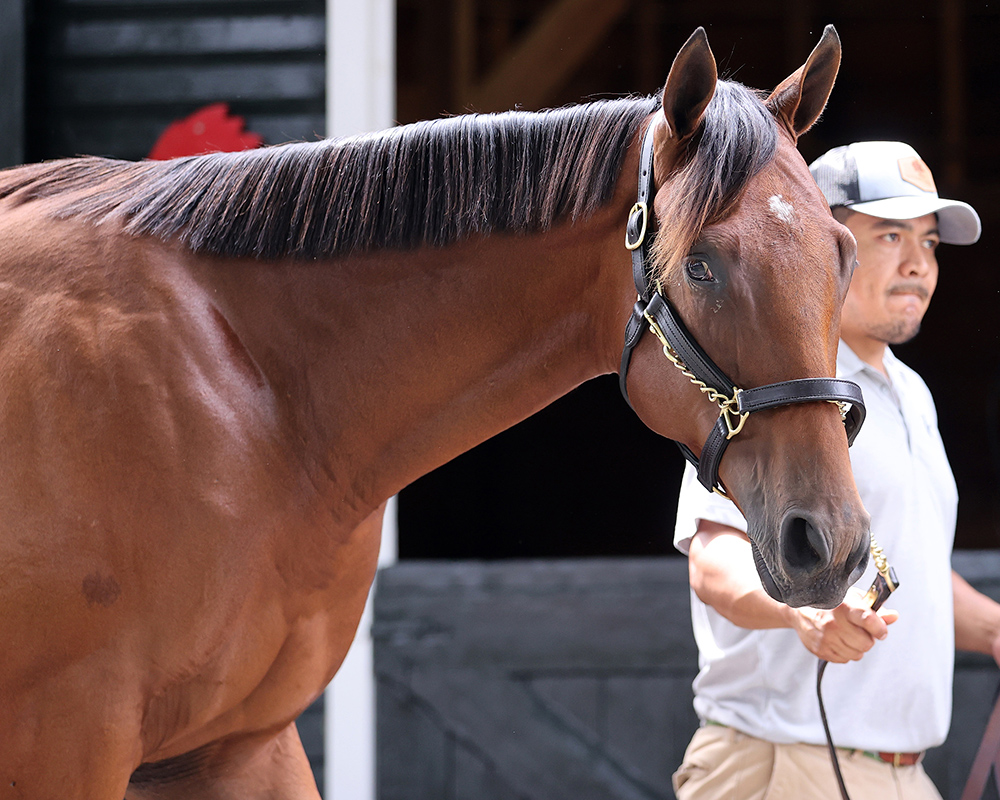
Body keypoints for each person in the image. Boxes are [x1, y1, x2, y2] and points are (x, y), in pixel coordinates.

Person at [671, 141, 1000, 800]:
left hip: (903, 776)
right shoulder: (771, 384)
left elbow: (914, 577)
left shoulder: (911, 393)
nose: (919, 265)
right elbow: (711, 558)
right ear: (827, 241)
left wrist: (993, 629)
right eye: (891, 235)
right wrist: (801, 613)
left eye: (930, 243)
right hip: (783, 764)